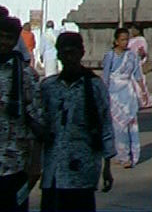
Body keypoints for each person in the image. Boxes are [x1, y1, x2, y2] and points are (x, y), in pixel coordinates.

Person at [40, 32, 114, 212]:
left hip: (82, 170)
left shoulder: (95, 86)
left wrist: (107, 166)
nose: (69, 58)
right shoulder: (48, 87)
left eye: (73, 52)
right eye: (65, 53)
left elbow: (105, 124)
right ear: (58, 55)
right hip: (53, 171)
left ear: (82, 53)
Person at [0, 15, 44, 212]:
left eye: (8, 38)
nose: (3, 42)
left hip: (14, 164)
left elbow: (37, 122)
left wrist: (35, 165)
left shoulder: (25, 75)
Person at [100, 28, 145, 168]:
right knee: (118, 126)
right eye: (122, 40)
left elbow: (137, 74)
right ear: (116, 41)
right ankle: (122, 155)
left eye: (127, 39)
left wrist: (142, 90)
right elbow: (105, 76)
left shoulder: (132, 56)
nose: (125, 42)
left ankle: (131, 154)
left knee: (130, 124)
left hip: (128, 93)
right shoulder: (110, 56)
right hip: (114, 94)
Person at [124, 26, 152, 110]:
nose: (132, 31)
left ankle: (144, 101)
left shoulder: (141, 40)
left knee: (140, 83)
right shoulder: (131, 40)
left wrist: (141, 53)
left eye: (134, 29)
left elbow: (143, 52)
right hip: (130, 64)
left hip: (138, 64)